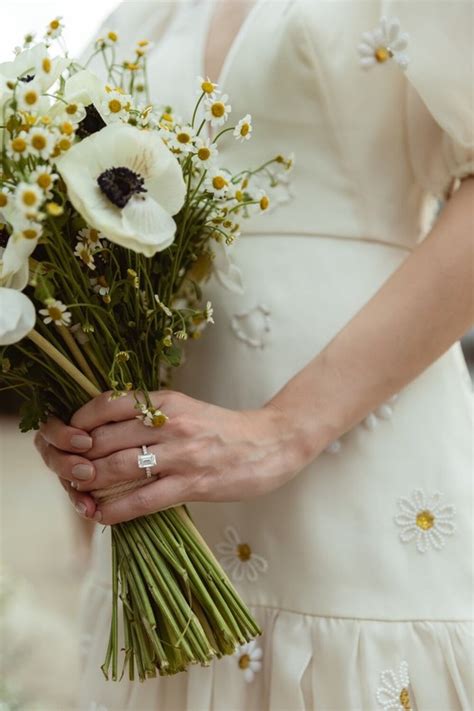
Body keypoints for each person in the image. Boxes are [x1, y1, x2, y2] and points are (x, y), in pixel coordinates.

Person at [34, 1, 474, 709]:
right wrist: (76, 405)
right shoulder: (145, 14)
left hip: (366, 478)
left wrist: (281, 430)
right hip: (174, 518)